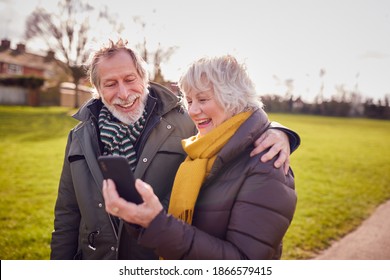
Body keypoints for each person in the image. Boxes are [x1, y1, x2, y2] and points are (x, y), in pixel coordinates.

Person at [50, 39, 300, 260]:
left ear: (144, 78)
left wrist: (279, 132)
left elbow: (239, 118)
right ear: (98, 89)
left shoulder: (184, 121)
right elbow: (67, 214)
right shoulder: (80, 136)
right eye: (111, 84)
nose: (124, 93)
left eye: (129, 79)